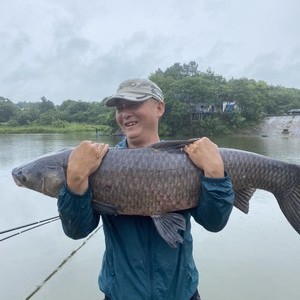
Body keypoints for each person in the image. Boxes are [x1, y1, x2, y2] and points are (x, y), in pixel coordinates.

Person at [57, 78, 234, 300]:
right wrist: (74, 184)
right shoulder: (95, 162)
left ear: (159, 107)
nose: (125, 114)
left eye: (133, 104)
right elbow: (76, 230)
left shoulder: (191, 157)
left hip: (181, 293)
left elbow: (214, 223)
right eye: (120, 108)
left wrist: (216, 177)